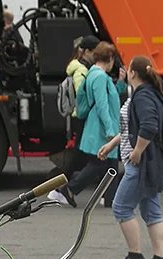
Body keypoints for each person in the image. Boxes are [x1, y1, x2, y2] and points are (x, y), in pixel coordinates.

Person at [110, 56, 163, 259]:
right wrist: (112, 144)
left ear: (133, 73)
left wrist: (137, 151)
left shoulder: (142, 96)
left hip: (141, 162)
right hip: (152, 162)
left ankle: (135, 254)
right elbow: (133, 127)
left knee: (121, 207)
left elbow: (149, 126)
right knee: (151, 210)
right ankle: (159, 258)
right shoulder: (150, 93)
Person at [51, 42, 120, 209]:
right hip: (102, 129)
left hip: (96, 126)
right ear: (110, 58)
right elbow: (103, 105)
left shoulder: (92, 74)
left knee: (110, 164)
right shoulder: (100, 77)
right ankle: (70, 189)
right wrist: (110, 130)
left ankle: (112, 199)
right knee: (101, 163)